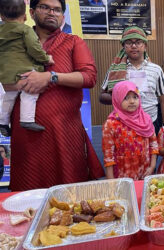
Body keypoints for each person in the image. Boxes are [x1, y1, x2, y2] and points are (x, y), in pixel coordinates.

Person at [5, 0, 104, 191]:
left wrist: (51, 77)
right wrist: (20, 84)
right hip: (26, 134)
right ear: (31, 12)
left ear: (63, 17)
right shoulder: (13, 42)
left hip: (65, 132)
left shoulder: (73, 42)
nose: (52, 13)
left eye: (57, 10)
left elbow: (89, 77)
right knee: (28, 196)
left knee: (71, 195)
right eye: (45, 7)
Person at [100, 26, 164, 134]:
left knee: (152, 151)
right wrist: (121, 98)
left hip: (152, 121)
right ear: (123, 46)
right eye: (129, 42)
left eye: (138, 42)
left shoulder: (156, 70)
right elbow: (102, 96)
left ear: (145, 45)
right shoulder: (115, 70)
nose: (133, 46)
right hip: (124, 124)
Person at [0, 0, 55, 135]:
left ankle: (2, 122)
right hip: (22, 72)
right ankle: (27, 119)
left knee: (8, 97)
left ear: (1, 16)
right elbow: (34, 48)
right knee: (30, 92)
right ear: (25, 16)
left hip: (3, 75)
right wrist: (46, 59)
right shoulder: (25, 30)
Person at [102, 81, 158, 180]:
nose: (132, 101)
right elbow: (108, 156)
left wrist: (152, 167)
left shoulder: (145, 119)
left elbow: (153, 144)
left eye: (135, 97)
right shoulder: (111, 124)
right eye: (126, 98)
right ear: (117, 99)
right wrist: (111, 183)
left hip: (145, 173)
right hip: (122, 176)